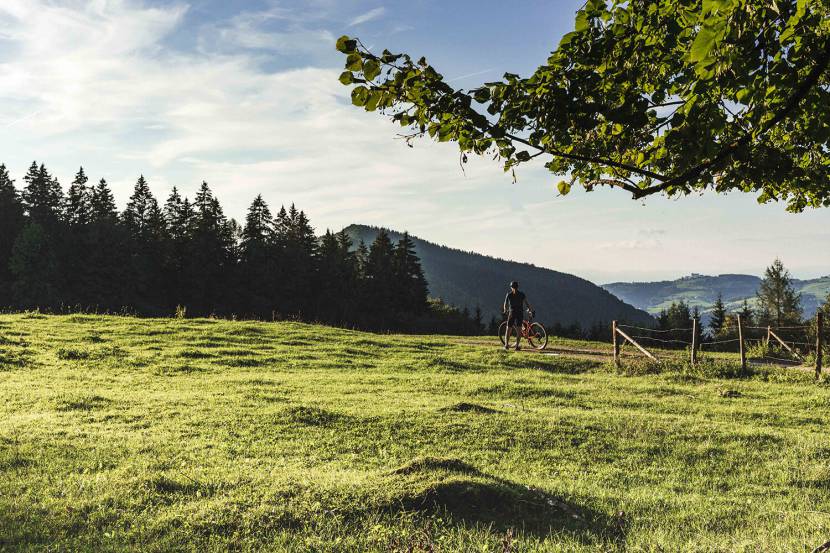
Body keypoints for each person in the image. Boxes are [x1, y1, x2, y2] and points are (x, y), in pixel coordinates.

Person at [503, 281, 534, 351]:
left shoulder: (509, 294)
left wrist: (505, 310)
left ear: (511, 287)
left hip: (512, 313)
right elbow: (527, 303)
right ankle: (517, 346)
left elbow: (505, 304)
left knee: (508, 329)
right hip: (520, 313)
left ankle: (506, 345)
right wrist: (530, 310)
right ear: (517, 287)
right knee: (519, 331)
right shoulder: (522, 294)